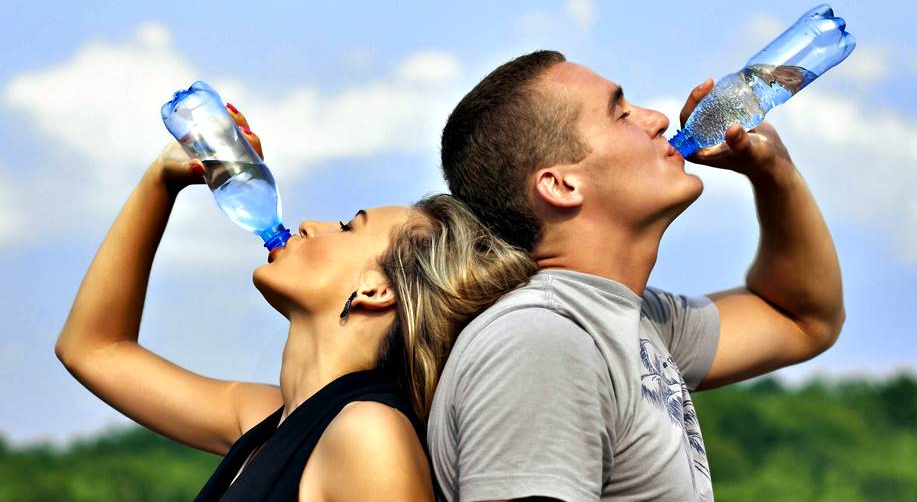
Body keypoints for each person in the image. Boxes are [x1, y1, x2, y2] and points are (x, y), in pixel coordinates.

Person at [55, 105, 536, 501]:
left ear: (376, 290)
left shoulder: (369, 435)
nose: (309, 223)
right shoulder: (268, 419)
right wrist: (161, 180)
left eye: (349, 226)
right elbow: (92, 348)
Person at [430, 50, 846, 501]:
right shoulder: (543, 342)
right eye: (620, 113)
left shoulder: (628, 319)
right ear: (561, 185)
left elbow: (804, 319)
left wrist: (773, 171)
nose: (659, 119)